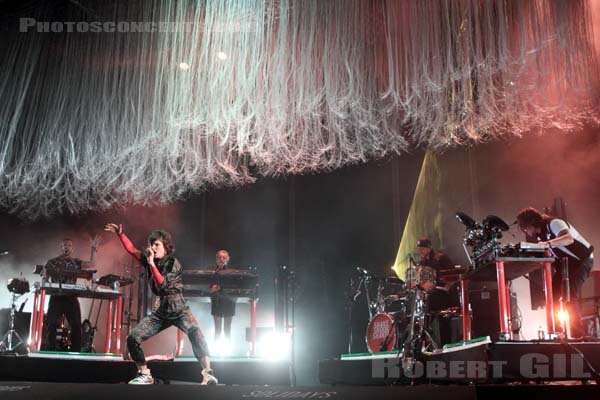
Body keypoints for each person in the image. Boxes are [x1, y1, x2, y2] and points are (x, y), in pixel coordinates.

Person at [104, 223, 217, 385]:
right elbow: (132, 250)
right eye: (151, 245)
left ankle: (208, 373)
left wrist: (151, 264)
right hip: (161, 312)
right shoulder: (150, 259)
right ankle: (144, 374)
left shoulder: (173, 263)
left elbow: (163, 285)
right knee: (132, 338)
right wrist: (121, 234)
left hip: (178, 309)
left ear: (166, 247)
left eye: (157, 245)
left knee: (195, 331)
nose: (153, 248)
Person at [516, 207, 594, 337]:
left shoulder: (554, 223)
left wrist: (547, 244)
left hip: (582, 261)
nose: (525, 231)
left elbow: (568, 239)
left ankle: (578, 336)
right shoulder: (540, 235)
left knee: (571, 295)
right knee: (552, 294)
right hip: (567, 264)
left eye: (525, 227)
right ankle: (558, 333)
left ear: (531, 223)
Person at [44, 236, 100, 352]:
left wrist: (93, 249)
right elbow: (45, 276)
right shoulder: (52, 262)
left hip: (71, 297)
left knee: (76, 326)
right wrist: (45, 282)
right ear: (61, 247)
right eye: (64, 245)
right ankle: (50, 352)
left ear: (72, 248)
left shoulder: (75, 262)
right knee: (51, 325)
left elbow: (91, 263)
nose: (67, 247)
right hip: (56, 297)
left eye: (69, 245)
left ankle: (75, 353)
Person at [211, 250, 236, 341]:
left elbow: (234, 286)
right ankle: (215, 352)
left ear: (227, 259)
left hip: (229, 301)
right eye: (219, 257)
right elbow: (209, 286)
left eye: (224, 258)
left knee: (227, 329)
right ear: (216, 259)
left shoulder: (231, 272)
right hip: (217, 301)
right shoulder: (213, 272)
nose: (221, 259)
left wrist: (219, 287)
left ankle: (228, 352)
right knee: (217, 329)